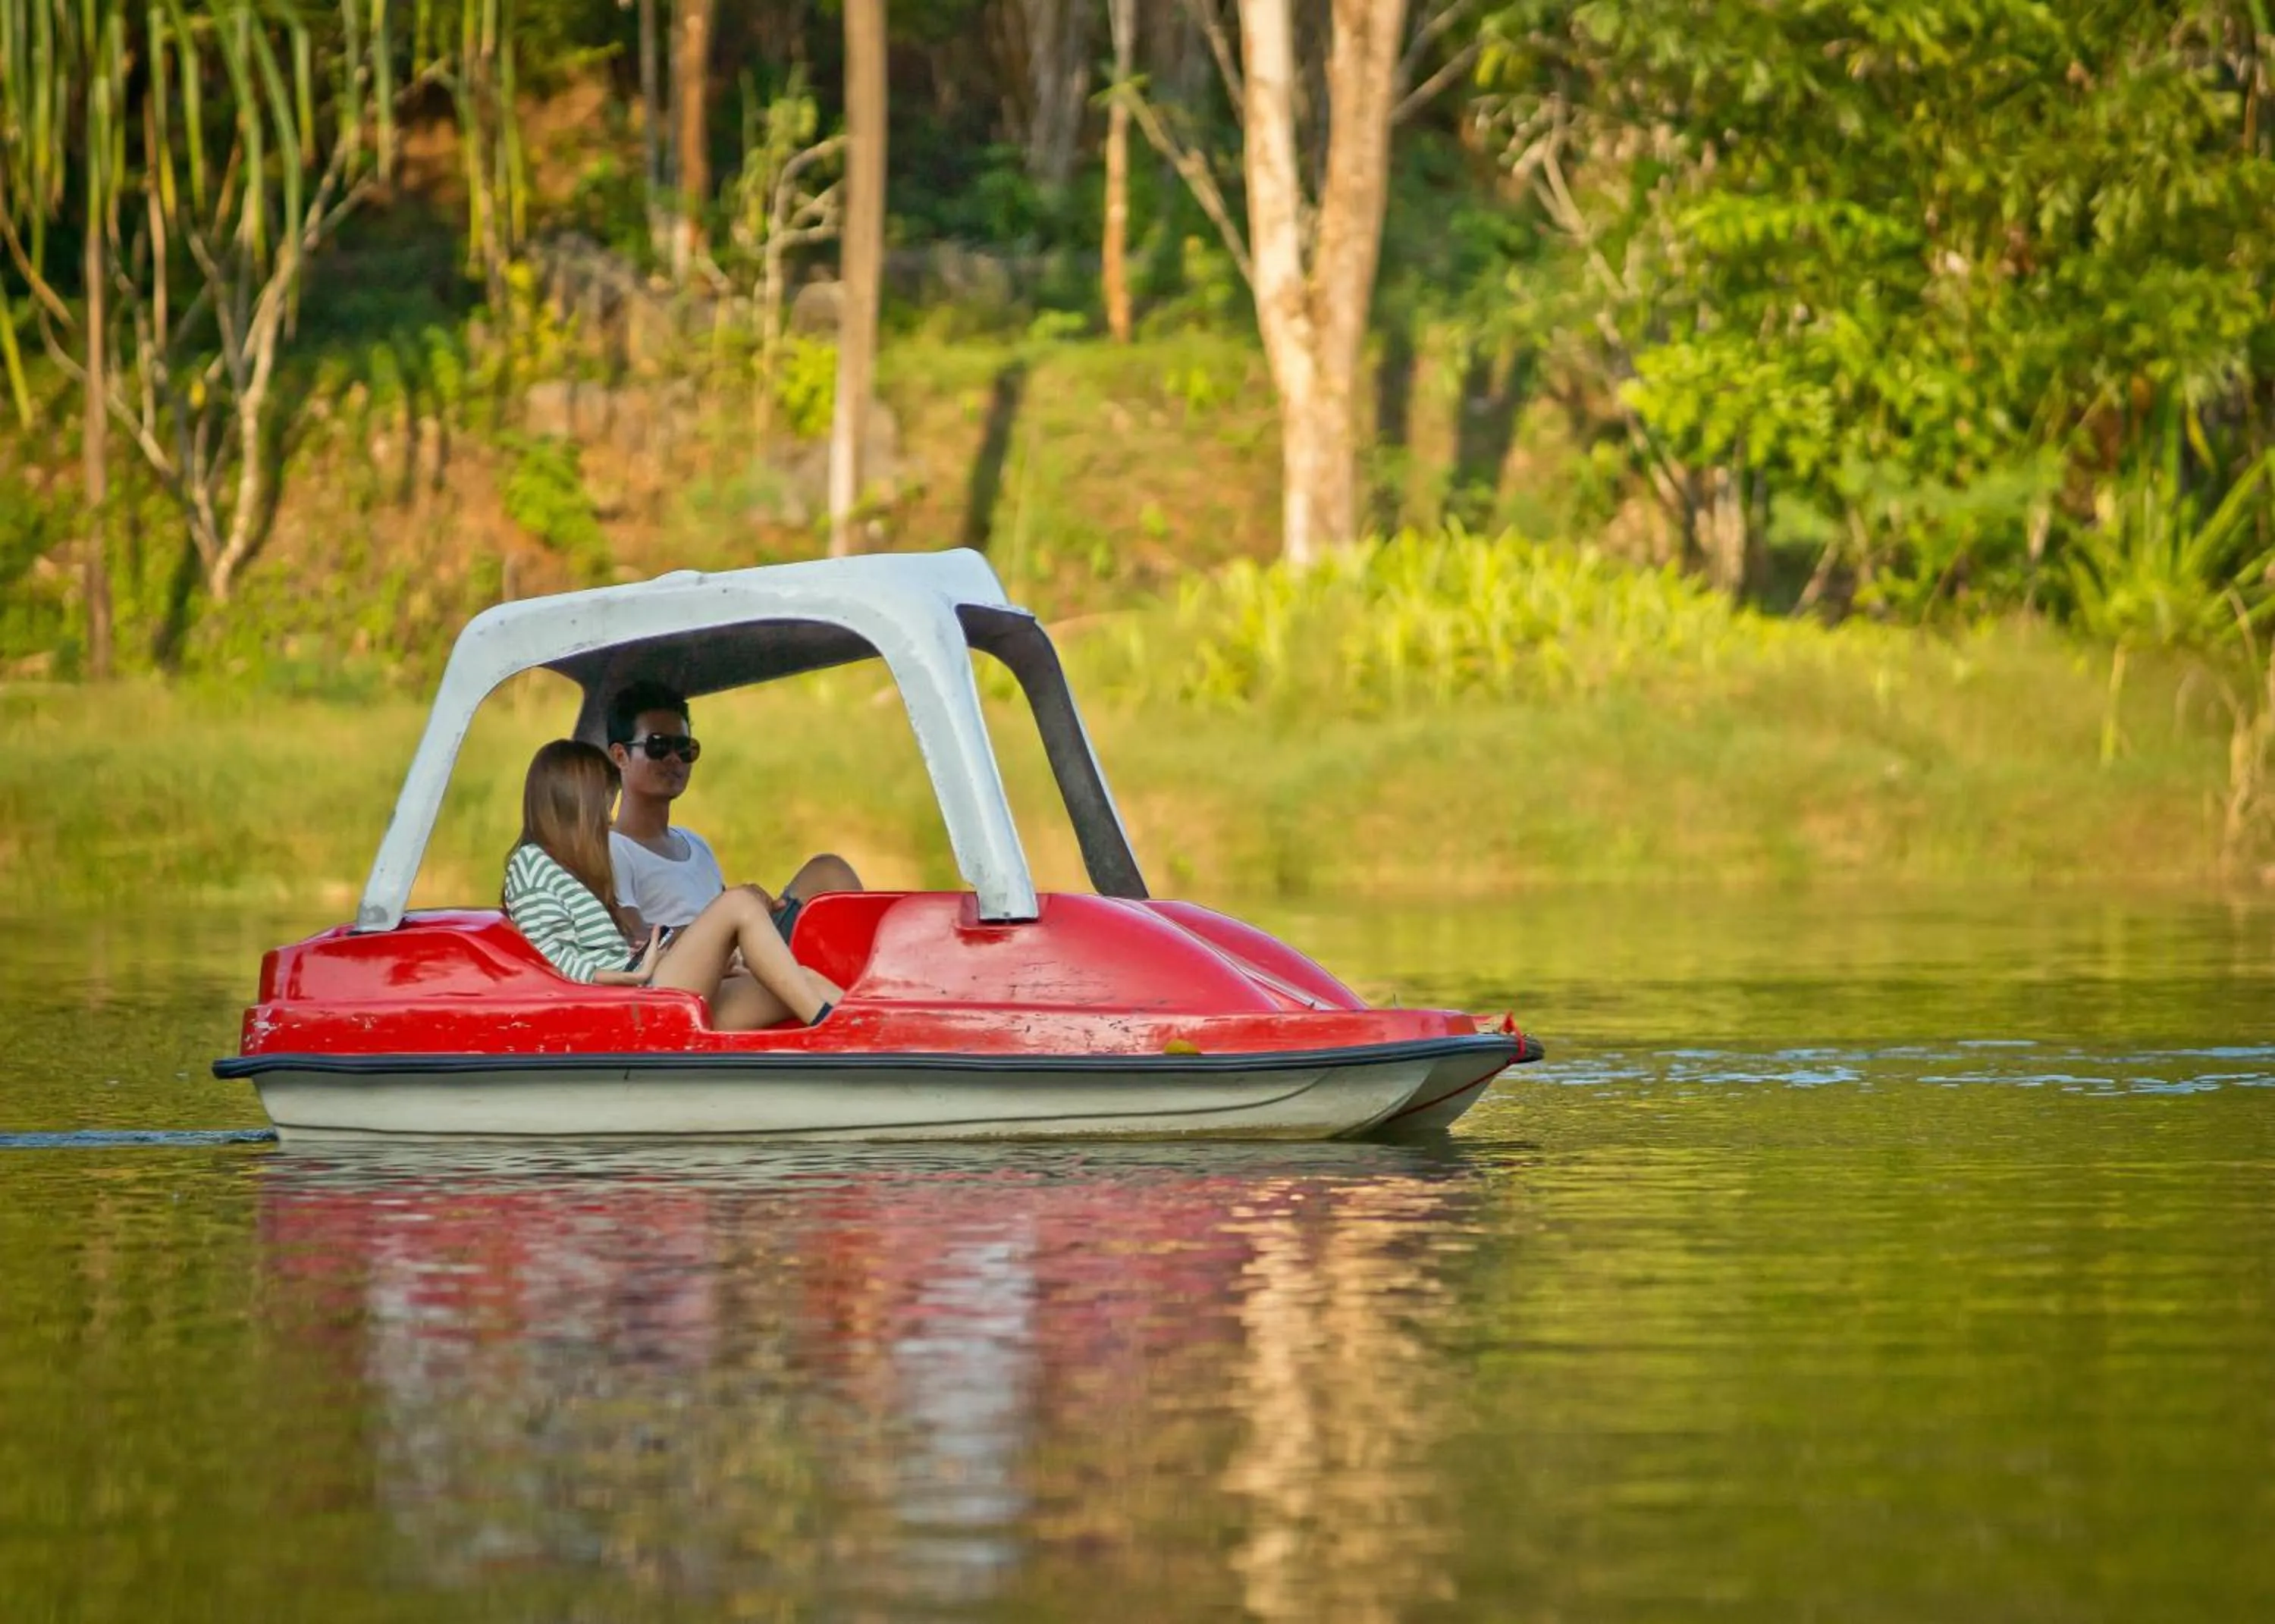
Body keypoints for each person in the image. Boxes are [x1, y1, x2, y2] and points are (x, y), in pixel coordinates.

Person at [502, 738, 841, 1030]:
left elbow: (602, 949)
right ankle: (831, 1029)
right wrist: (632, 973)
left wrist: (667, 957)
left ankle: (865, 1029)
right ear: (574, 805)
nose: (606, 819)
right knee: (738, 904)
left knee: (804, 980)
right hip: (633, 1004)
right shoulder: (532, 866)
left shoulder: (570, 868)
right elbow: (555, 962)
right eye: (602, 807)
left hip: (646, 984)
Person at [604, 679, 862, 940]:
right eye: (657, 746)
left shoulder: (695, 843)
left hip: (740, 957)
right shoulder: (609, 848)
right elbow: (631, 941)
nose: (674, 759)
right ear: (620, 756)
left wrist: (745, 911)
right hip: (691, 974)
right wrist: (728, 919)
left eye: (684, 749)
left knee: (829, 872)